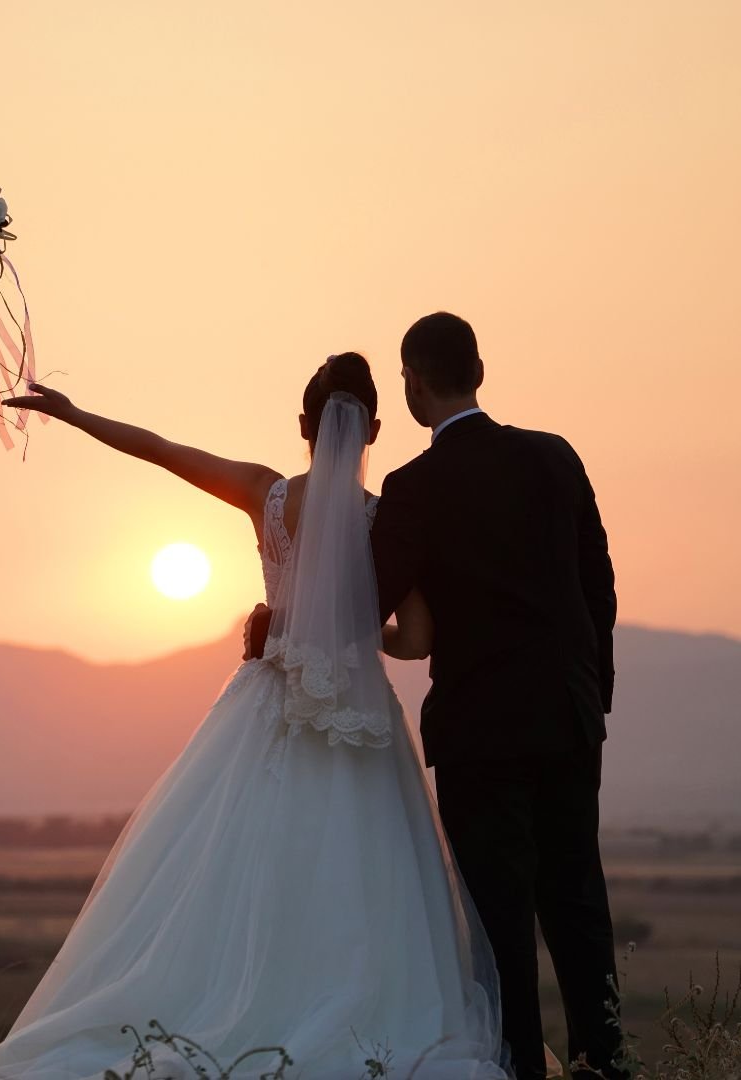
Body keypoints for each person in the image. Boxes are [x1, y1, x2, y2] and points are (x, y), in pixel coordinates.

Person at [0, 353, 509, 1080]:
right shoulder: (387, 519)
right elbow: (416, 640)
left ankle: (231, 1015)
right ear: (374, 427)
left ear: (303, 426)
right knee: (358, 883)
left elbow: (161, 450)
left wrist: (73, 413)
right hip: (358, 720)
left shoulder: (267, 495)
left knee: (237, 870)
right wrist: (349, 630)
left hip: (268, 706)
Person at [248, 314, 622, 1080]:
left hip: (479, 733)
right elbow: (599, 585)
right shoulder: (556, 457)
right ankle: (607, 1059)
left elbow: (364, 600)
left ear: (414, 386)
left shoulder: (415, 487)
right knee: (579, 897)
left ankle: (519, 1065)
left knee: (499, 917)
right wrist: (594, 696)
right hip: (568, 718)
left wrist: (280, 617)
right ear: (479, 367)